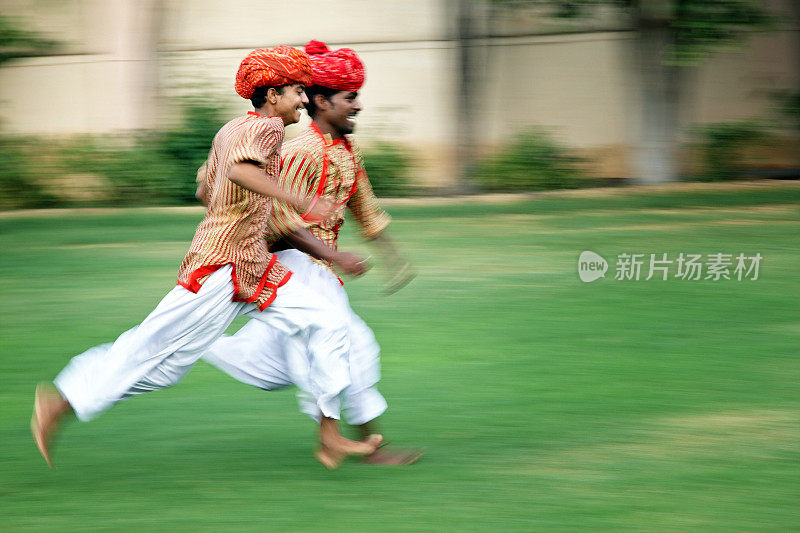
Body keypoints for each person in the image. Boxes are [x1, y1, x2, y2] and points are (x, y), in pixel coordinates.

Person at [31, 45, 381, 469]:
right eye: (296, 92)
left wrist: (239, 211)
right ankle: (62, 401)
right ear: (272, 95)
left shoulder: (230, 130)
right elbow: (238, 173)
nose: (304, 101)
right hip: (221, 269)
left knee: (326, 323)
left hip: (251, 265)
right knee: (155, 357)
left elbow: (206, 188)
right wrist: (299, 197)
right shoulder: (268, 131)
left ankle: (330, 437)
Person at [201, 40, 421, 468]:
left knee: (277, 363)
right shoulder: (302, 151)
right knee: (348, 344)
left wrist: (394, 259)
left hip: (318, 269)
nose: (357, 105)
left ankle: (196, 342)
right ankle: (348, 443)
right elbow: (279, 221)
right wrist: (336, 257)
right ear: (322, 101)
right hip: (294, 266)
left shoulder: (347, 153)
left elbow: (366, 209)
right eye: (349, 97)